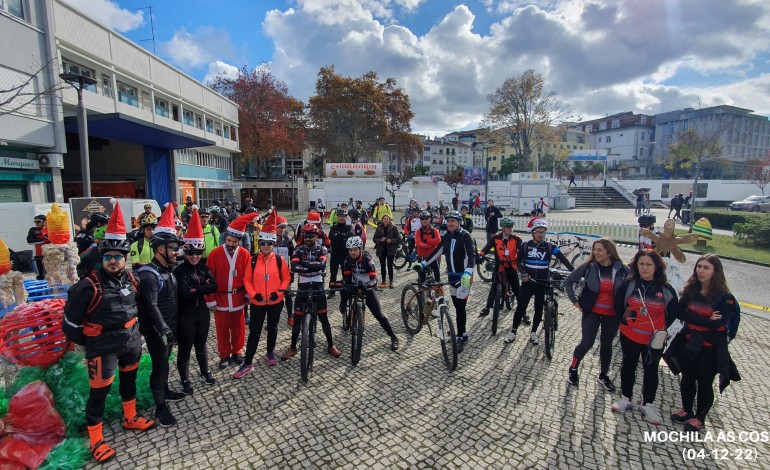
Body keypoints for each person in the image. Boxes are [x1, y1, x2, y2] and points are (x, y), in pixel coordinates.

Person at [62, 202, 155, 463]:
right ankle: (96, 439)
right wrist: (90, 340)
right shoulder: (87, 287)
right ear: (102, 258)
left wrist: (138, 334)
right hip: (102, 347)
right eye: (108, 257)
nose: (113, 261)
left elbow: (137, 308)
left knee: (129, 381)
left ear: (125, 259)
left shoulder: (132, 280)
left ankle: (130, 417)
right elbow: (69, 324)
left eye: (117, 257)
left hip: (130, 341)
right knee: (99, 393)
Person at [670, 254, 739, 432]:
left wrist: (697, 319)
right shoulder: (691, 289)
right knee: (687, 378)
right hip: (688, 343)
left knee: (704, 382)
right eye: (699, 267)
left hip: (710, 349)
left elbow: (718, 324)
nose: (701, 271)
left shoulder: (725, 298)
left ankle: (700, 417)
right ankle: (686, 410)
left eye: (706, 268)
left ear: (715, 271)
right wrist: (706, 318)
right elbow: (679, 312)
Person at [610, 250, 678, 424]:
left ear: (657, 267)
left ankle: (648, 403)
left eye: (649, 264)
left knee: (651, 370)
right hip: (630, 335)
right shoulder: (629, 284)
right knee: (628, 366)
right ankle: (626, 398)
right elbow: (619, 306)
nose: (645, 268)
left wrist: (659, 330)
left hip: (653, 340)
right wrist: (626, 323)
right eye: (641, 264)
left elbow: (672, 313)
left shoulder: (666, 289)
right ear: (636, 266)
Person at [135, 204, 186, 428]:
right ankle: (160, 407)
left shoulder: (168, 270)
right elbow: (151, 305)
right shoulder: (149, 275)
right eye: (173, 248)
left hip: (170, 325)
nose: (177, 252)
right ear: (160, 249)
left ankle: (165, 391)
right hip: (156, 330)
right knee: (160, 366)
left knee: (165, 362)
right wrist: (164, 329)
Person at [564, 238, 628, 391]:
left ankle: (604, 375)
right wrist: (575, 301)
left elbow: (634, 286)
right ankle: (573, 368)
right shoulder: (589, 266)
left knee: (606, 344)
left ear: (609, 252)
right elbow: (568, 281)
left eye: (600, 250)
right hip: (591, 311)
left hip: (612, 314)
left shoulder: (622, 269)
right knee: (587, 342)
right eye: (595, 249)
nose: (596, 253)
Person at [235, 211, 291, 378]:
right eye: (263, 243)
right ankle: (248, 362)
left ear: (273, 244)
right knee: (255, 331)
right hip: (258, 302)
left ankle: (270, 352)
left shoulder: (280, 260)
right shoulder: (252, 260)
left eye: (269, 243)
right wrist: (254, 295)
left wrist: (278, 292)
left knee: (273, 328)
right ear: (259, 244)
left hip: (275, 301)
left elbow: (286, 278)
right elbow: (247, 280)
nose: (266, 246)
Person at [506, 218, 574, 344]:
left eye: (543, 232)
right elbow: (517, 261)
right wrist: (523, 272)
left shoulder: (550, 246)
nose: (541, 234)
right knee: (521, 307)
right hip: (528, 281)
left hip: (542, 282)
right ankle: (513, 331)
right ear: (532, 232)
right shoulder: (525, 246)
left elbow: (564, 260)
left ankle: (533, 333)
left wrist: (574, 273)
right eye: (538, 232)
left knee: (538, 308)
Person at [416, 210, 476, 352]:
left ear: (459, 222)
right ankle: (464, 332)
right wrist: (423, 264)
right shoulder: (447, 236)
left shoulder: (465, 236)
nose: (450, 224)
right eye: (448, 221)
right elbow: (437, 251)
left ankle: (460, 336)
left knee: (461, 307)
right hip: (451, 276)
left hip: (464, 277)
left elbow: (471, 255)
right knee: (456, 305)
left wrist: (468, 272)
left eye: (453, 221)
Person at [173, 209, 218, 395]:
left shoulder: (203, 268)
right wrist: (202, 288)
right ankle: (184, 379)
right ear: (186, 252)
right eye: (190, 253)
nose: (194, 256)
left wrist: (196, 288)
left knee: (201, 344)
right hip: (185, 314)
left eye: (198, 253)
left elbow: (214, 286)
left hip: (202, 313)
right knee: (185, 347)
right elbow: (184, 293)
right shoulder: (180, 270)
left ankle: (204, 372)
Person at [282, 223, 342, 359]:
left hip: (318, 285)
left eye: (311, 236)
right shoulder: (298, 250)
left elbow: (321, 264)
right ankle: (292, 347)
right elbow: (295, 266)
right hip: (302, 286)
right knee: (297, 319)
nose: (308, 238)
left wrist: (305, 266)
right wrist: (311, 267)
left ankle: (331, 345)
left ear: (316, 236)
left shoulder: (322, 249)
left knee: (324, 318)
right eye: (305, 236)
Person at [206, 213, 257, 370]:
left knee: (238, 328)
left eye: (234, 242)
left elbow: (249, 277)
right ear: (225, 238)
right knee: (221, 329)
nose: (230, 244)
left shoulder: (244, 254)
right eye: (228, 240)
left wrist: (248, 293)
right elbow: (208, 279)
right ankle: (224, 355)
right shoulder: (215, 254)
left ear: (239, 241)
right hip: (220, 297)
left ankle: (236, 352)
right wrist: (210, 299)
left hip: (238, 297)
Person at [340, 236, 400, 350]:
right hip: (353, 285)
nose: (352, 252)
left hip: (366, 286)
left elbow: (374, 279)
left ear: (360, 249)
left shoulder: (367, 260)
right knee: (343, 290)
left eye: (355, 250)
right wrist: (347, 285)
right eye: (350, 250)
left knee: (379, 315)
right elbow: (347, 278)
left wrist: (366, 285)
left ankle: (393, 337)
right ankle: (343, 305)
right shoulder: (347, 260)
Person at [478, 217, 521, 317]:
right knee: (493, 287)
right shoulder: (495, 237)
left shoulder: (516, 238)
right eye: (508, 227)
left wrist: (521, 259)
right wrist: (481, 254)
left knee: (517, 289)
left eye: (511, 227)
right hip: (499, 265)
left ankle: (523, 312)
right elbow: (487, 247)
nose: (510, 229)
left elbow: (521, 250)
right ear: (503, 227)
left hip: (511, 265)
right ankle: (487, 307)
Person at [273, 215, 295, 322]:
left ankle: (290, 316)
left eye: (283, 227)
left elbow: (293, 256)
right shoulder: (269, 239)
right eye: (280, 227)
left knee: (288, 295)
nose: (282, 230)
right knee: (273, 297)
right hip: (272, 273)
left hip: (285, 272)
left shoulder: (287, 239)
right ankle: (272, 320)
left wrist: (293, 271)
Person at [328, 208, 353, 295]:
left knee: (345, 273)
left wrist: (338, 236)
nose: (342, 218)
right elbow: (331, 237)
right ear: (337, 217)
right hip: (335, 254)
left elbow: (349, 237)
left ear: (346, 217)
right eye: (340, 216)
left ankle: (346, 290)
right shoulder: (333, 228)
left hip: (345, 255)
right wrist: (343, 237)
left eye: (343, 216)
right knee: (333, 273)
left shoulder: (349, 227)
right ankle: (332, 291)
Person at [373, 214, 401, 288]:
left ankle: (391, 282)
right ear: (382, 220)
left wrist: (391, 240)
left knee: (390, 266)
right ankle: (383, 281)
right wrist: (380, 240)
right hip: (381, 250)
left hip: (390, 250)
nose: (386, 220)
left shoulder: (393, 227)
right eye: (384, 219)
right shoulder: (379, 228)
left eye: (387, 219)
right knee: (382, 266)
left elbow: (398, 238)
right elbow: (374, 238)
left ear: (389, 220)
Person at [414, 210, 442, 283]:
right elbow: (418, 244)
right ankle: (421, 290)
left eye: (426, 218)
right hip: (422, 256)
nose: (425, 220)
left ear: (430, 219)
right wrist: (432, 244)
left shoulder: (434, 230)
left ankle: (439, 288)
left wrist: (426, 241)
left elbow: (438, 240)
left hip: (432, 256)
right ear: (420, 221)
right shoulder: (418, 231)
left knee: (437, 271)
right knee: (421, 276)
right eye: (423, 219)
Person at [27, 214, 49, 280]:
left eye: (38, 221)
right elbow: (30, 241)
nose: (36, 223)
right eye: (35, 222)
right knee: (39, 275)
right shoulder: (33, 230)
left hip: (49, 254)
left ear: (45, 222)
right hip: (38, 255)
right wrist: (43, 240)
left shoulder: (50, 229)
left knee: (50, 273)